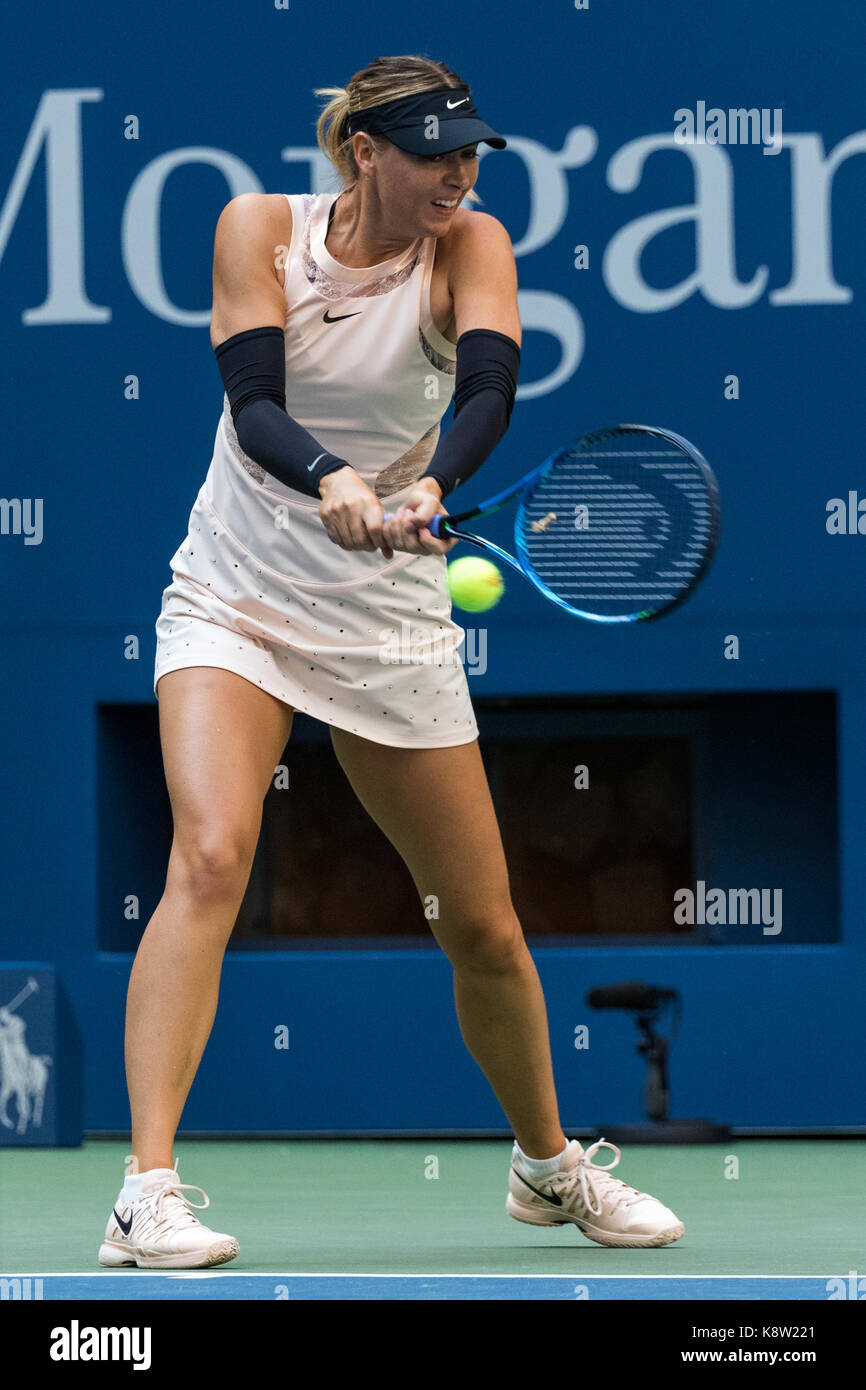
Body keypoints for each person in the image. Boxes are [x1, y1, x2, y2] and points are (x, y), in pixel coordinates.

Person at [98, 54, 683, 1269]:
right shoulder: (258, 228)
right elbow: (254, 404)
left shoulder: (470, 243)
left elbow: (486, 390)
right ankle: (144, 1191)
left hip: (390, 623)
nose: (458, 173)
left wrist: (423, 486)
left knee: (478, 925)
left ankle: (546, 1166)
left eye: (469, 149)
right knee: (209, 853)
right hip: (236, 598)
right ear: (364, 150)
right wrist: (336, 481)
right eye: (433, 151)